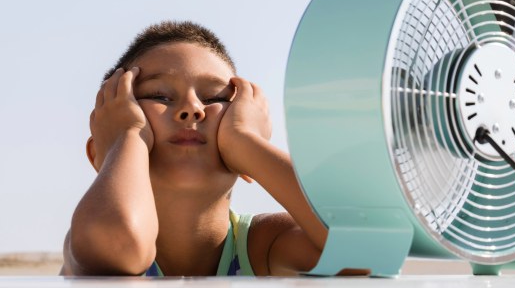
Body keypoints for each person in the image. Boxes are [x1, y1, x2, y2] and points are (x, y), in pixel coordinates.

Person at [60, 20, 327, 276]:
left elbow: (361, 245)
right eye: (159, 96)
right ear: (102, 155)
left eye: (214, 98)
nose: (192, 108)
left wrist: (246, 143)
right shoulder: (92, 233)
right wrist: (129, 135)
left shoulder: (264, 245)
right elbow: (121, 244)